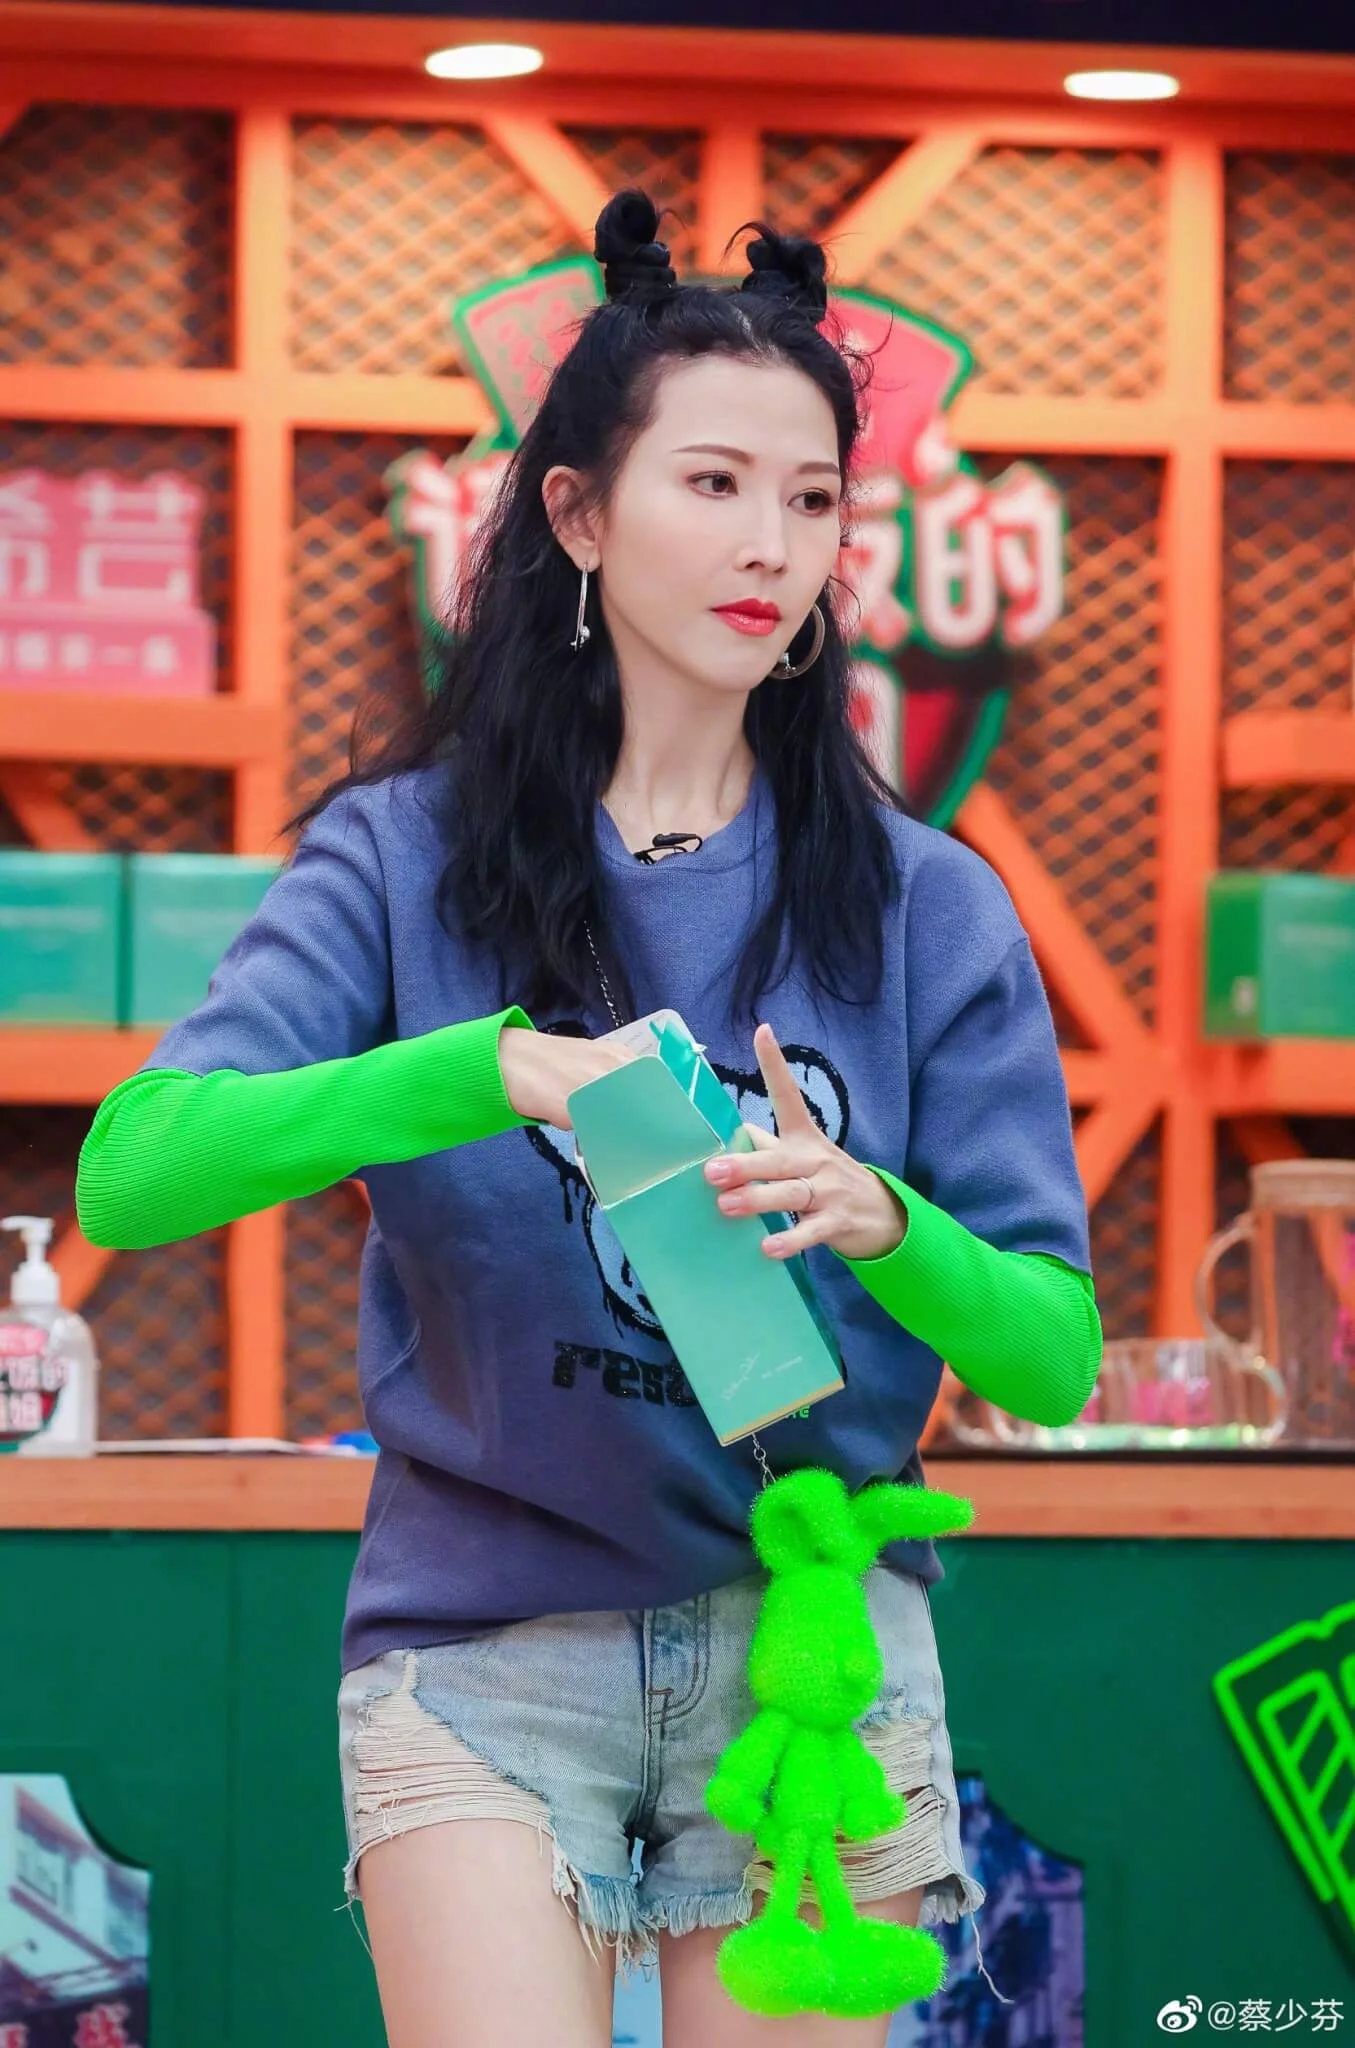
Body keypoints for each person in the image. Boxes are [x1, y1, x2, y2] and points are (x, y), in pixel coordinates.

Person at [77, 189, 1101, 2048]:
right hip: (482, 1647)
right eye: (712, 484)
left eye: (811, 500)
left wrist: (885, 1219)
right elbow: (134, 1173)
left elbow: (1049, 1353)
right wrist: (484, 1070)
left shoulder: (926, 902)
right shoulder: (402, 856)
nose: (770, 545)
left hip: (809, 1661)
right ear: (575, 511)